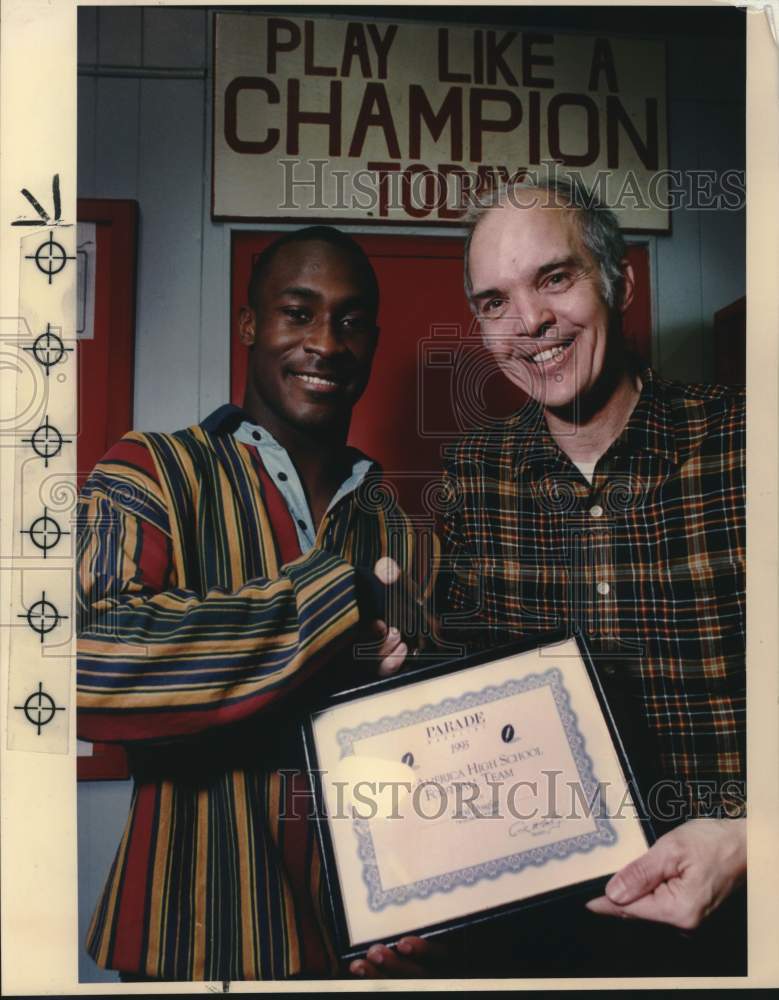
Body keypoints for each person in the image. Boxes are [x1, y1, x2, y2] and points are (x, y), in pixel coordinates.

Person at [350, 176, 746, 979]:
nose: (528, 322)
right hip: (548, 942)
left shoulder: (748, 444)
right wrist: (418, 881)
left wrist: (751, 842)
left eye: (554, 278)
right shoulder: (471, 476)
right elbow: (463, 724)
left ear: (619, 281)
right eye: (493, 302)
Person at [76, 226, 420, 982]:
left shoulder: (392, 520)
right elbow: (82, 662)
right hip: (191, 938)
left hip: (355, 946)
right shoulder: (153, 468)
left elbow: (410, 747)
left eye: (350, 321)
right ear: (248, 325)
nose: (326, 343)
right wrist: (335, 599)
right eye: (298, 312)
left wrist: (421, 895)